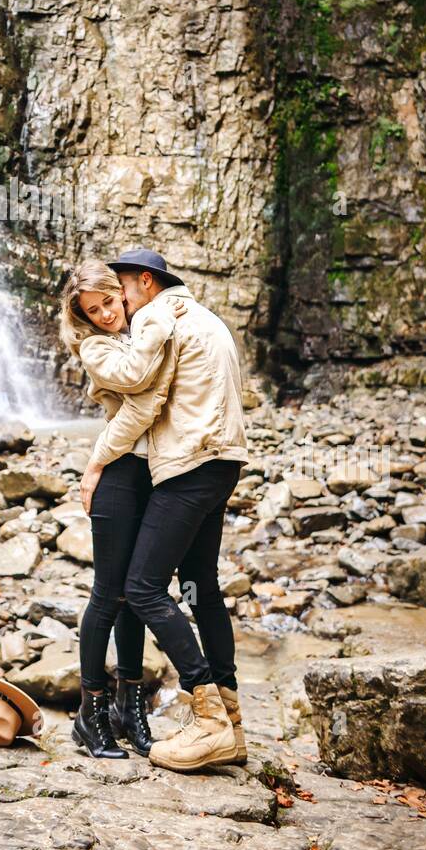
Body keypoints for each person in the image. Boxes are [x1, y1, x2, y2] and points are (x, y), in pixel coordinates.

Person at [76, 247, 250, 774]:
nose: (116, 305)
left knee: (143, 588)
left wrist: (95, 460)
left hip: (187, 467)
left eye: (118, 291)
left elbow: (148, 402)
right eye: (97, 306)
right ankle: (231, 719)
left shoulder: (159, 316)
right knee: (200, 585)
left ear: (144, 283)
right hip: (222, 462)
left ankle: (209, 717)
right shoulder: (202, 317)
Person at [59, 258, 183, 759]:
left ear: (122, 292)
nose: (107, 314)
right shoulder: (96, 347)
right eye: (95, 310)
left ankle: (128, 708)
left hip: (153, 472)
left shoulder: (143, 322)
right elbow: (141, 388)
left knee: (138, 593)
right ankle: (90, 714)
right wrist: (93, 465)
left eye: (111, 301)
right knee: (108, 595)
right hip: (117, 477)